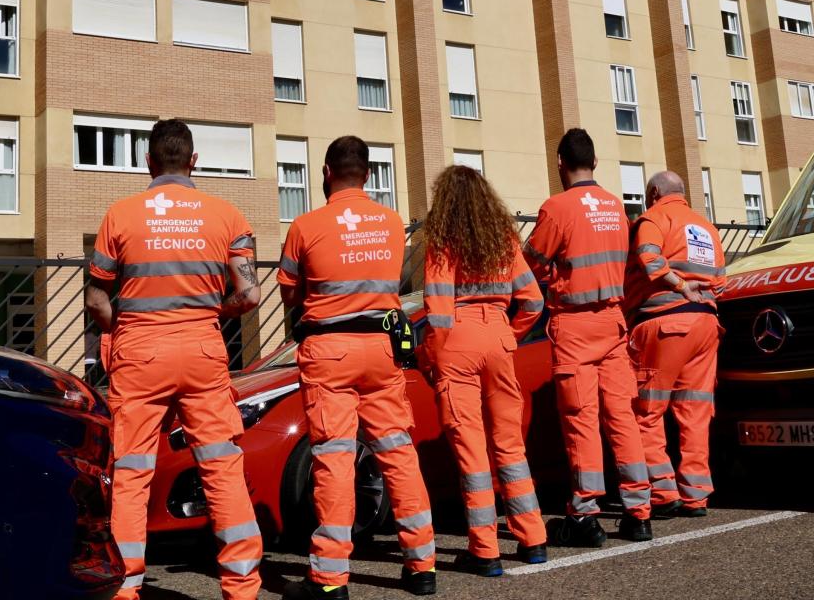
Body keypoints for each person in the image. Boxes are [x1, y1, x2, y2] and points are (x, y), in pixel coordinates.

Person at [84, 119, 266, 600]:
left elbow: (96, 301)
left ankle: (124, 588)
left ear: (148, 162)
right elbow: (249, 295)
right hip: (203, 348)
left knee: (132, 471)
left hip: (140, 350)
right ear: (193, 161)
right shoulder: (227, 216)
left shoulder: (120, 215)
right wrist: (214, 310)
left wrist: (117, 332)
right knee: (222, 467)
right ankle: (242, 587)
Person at [279, 136, 436, 599]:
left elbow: (290, 292)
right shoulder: (390, 223)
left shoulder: (306, 226)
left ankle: (330, 579)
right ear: (367, 174)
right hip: (381, 349)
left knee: (334, 458)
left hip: (329, 351)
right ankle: (421, 565)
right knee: (398, 452)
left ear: (327, 173)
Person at [415, 164, 550, 576]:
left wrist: (432, 357)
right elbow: (533, 301)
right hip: (498, 337)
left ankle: (485, 550)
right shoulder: (504, 238)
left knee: (472, 450)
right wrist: (509, 333)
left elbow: (437, 308)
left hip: (457, 338)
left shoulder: (442, 241)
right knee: (510, 446)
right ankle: (533, 539)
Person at [523, 129, 653, 546]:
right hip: (613, 322)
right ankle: (639, 512)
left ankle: (584, 514)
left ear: (560, 162)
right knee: (622, 417)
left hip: (575, 324)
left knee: (581, 420)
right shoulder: (617, 207)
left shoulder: (557, 207)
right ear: (594, 163)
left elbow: (532, 264)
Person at [626, 170, 724, 519]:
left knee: (647, 412)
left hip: (664, 322)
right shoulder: (706, 227)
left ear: (653, 192)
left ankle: (663, 492)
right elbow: (720, 279)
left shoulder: (653, 218)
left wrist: (678, 284)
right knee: (695, 412)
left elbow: (650, 259)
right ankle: (697, 494)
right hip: (706, 324)